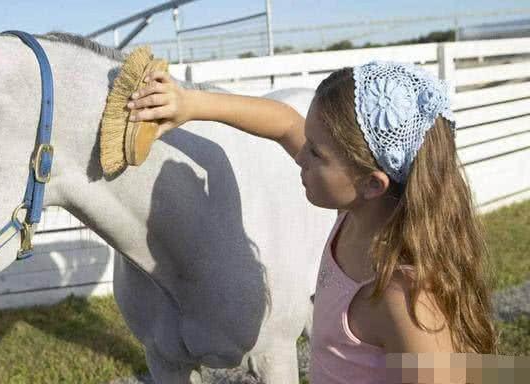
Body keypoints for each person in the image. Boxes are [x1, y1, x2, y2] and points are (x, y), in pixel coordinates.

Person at [126, 61, 498, 383]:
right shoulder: (355, 216)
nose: (300, 153)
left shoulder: (403, 297)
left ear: (372, 184)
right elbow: (285, 122)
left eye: (316, 152)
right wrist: (190, 104)